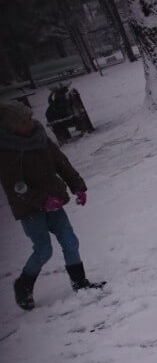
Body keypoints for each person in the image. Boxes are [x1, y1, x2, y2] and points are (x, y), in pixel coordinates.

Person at [0, 101, 104, 311]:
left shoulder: (40, 137)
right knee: (43, 250)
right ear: (11, 127)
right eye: (23, 122)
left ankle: (80, 283)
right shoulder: (6, 150)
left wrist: (77, 187)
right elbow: (16, 187)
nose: (30, 123)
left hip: (54, 203)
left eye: (29, 118)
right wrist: (42, 201)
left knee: (70, 241)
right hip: (30, 209)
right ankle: (23, 285)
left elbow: (61, 163)